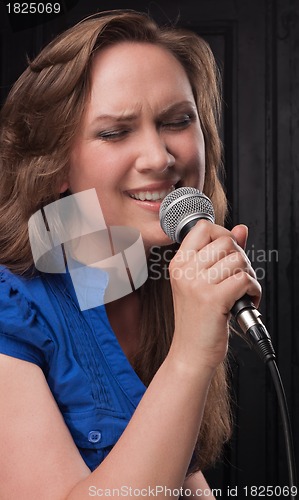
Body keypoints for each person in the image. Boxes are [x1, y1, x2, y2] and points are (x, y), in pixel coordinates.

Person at [0, 9, 261, 499]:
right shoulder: (10, 304)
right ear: (54, 163)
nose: (160, 158)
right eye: (115, 132)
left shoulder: (157, 281)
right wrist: (190, 358)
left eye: (178, 121)